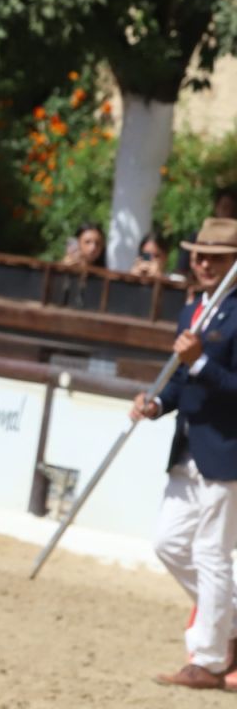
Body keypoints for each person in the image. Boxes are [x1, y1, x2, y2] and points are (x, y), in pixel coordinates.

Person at [132, 218, 237, 689]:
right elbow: (178, 380)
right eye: (198, 254)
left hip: (228, 451)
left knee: (213, 554)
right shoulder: (193, 310)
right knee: (169, 543)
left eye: (215, 256)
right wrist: (155, 404)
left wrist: (202, 363)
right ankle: (228, 627)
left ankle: (210, 660)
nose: (204, 263)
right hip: (189, 447)